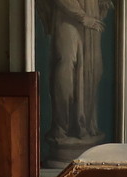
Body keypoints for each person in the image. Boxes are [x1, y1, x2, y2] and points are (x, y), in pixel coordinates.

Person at [39, 0, 113, 163]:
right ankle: (62, 127)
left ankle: (83, 124)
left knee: (92, 71)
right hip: (67, 17)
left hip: (91, 15)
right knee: (66, 67)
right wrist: (82, 16)